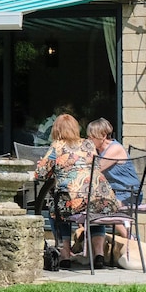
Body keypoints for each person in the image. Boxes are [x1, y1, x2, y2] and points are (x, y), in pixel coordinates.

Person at [35, 114, 119, 269]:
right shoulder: (88, 144)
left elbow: (40, 174)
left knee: (56, 209)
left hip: (74, 199)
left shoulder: (57, 146)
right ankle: (99, 255)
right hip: (103, 197)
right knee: (94, 211)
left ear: (56, 130)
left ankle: (65, 254)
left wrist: (44, 165)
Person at [87, 117, 140, 222]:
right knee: (85, 204)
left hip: (128, 194)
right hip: (113, 194)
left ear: (103, 136)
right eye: (88, 137)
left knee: (101, 208)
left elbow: (95, 169)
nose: (89, 140)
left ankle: (128, 232)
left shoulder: (115, 149)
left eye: (92, 137)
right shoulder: (99, 151)